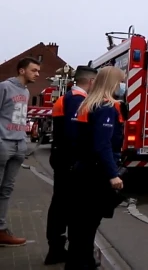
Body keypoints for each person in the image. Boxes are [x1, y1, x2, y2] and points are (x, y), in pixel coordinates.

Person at [65, 67, 126, 270]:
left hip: (83, 168)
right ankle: (84, 264)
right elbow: (102, 145)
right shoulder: (106, 108)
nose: (122, 86)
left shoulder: (87, 105)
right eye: (120, 82)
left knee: (79, 223)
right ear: (112, 83)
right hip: (96, 172)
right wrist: (113, 175)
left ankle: (78, 262)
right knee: (89, 223)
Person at [45, 65, 97, 264]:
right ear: (91, 82)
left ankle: (55, 248)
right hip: (70, 161)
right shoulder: (78, 101)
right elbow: (74, 135)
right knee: (66, 206)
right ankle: (60, 250)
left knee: (59, 203)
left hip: (61, 157)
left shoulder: (64, 99)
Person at [0, 57, 40, 246]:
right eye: (34, 70)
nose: (37, 74)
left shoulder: (25, 91)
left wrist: (23, 141)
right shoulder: (4, 87)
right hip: (3, 144)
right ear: (22, 71)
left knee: (6, 189)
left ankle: (0, 229)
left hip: (18, 145)